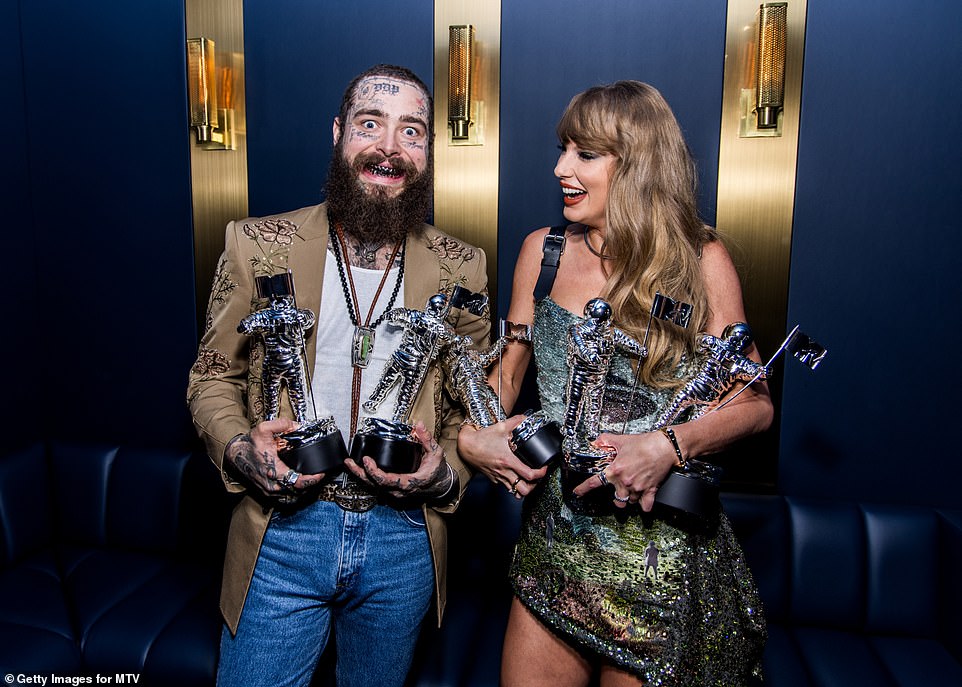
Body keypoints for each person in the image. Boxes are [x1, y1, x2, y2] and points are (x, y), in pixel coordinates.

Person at [458, 81, 773, 686]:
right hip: (556, 546)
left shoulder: (700, 261)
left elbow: (755, 406)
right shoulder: (541, 253)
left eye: (585, 154)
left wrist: (668, 447)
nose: (560, 168)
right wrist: (472, 441)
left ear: (638, 164)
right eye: (562, 150)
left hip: (661, 560)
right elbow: (504, 382)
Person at [187, 64, 489, 687]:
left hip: (404, 540)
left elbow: (469, 411)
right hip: (283, 531)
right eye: (370, 124)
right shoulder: (256, 244)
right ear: (337, 134)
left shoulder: (464, 267)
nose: (389, 147)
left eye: (412, 131)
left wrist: (444, 476)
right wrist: (243, 450)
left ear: (429, 150)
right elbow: (212, 376)